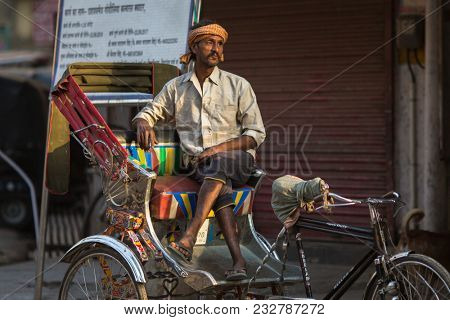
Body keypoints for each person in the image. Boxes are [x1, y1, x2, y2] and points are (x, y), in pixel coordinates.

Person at [133, 20, 266, 281]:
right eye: (209, 42)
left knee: (219, 166)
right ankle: (238, 261)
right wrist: (142, 122)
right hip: (200, 167)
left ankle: (189, 236)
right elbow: (149, 112)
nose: (215, 48)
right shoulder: (176, 88)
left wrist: (217, 148)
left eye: (219, 44)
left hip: (238, 161)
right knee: (219, 184)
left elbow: (255, 135)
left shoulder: (238, 85)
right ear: (194, 47)